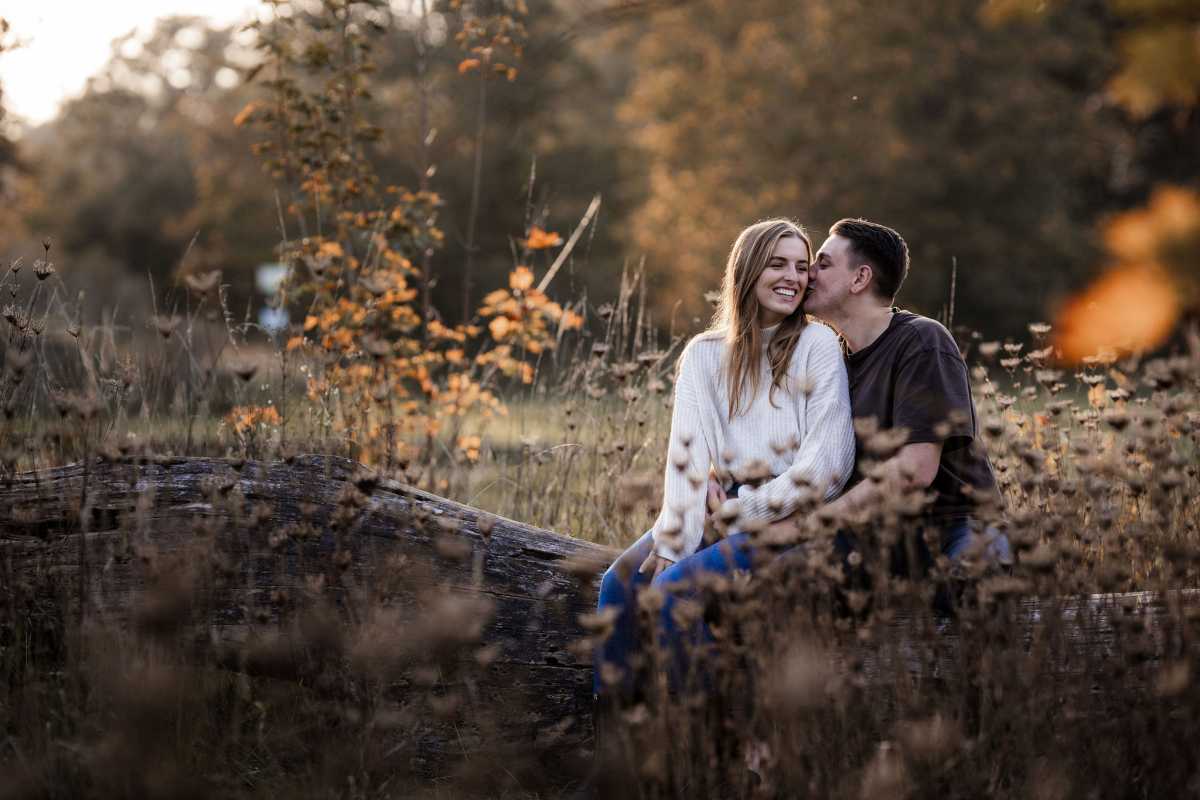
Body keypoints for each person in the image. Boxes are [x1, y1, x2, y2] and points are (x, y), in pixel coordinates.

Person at [592, 218, 856, 712]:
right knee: (619, 582)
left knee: (673, 591)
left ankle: (709, 747)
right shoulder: (704, 355)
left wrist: (746, 511)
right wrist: (674, 541)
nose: (793, 277)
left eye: (802, 267)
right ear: (748, 269)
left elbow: (829, 464)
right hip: (726, 503)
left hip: (790, 515)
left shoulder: (817, 346)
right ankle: (620, 752)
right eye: (778, 264)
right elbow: (687, 456)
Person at [792, 217, 1011, 586]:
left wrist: (818, 522)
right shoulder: (830, 359)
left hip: (955, 527)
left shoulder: (922, 340)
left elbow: (915, 469)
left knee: (973, 588)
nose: (808, 274)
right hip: (876, 537)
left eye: (823, 264)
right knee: (772, 584)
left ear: (860, 279)